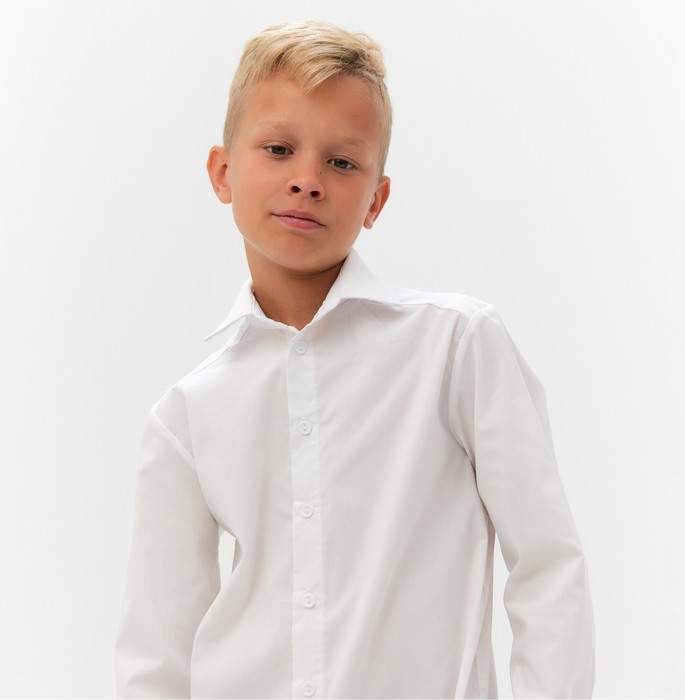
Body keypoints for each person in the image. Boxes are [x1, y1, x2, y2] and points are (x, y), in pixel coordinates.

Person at [115, 19, 595, 699]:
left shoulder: (456, 349)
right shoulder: (187, 413)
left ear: (377, 198)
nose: (307, 180)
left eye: (341, 163)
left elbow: (548, 567)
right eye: (278, 149)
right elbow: (156, 651)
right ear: (223, 173)